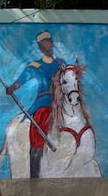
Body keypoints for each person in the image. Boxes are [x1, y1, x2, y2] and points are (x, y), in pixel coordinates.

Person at [5, 30, 65, 178]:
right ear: (40, 47)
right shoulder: (36, 65)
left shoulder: (62, 64)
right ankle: (35, 168)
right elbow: (22, 79)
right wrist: (13, 87)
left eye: (49, 41)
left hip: (63, 102)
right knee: (40, 120)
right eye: (44, 43)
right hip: (44, 102)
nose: (48, 45)